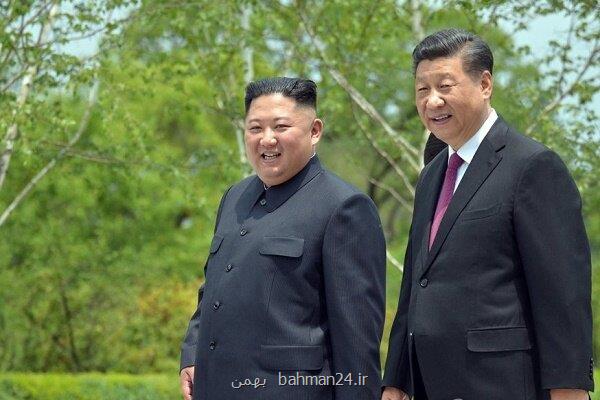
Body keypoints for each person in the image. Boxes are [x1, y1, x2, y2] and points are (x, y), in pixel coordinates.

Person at [382, 29, 594, 400]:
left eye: (445, 86)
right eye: (422, 90)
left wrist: (569, 390)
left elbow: (562, 297)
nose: (432, 101)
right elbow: (416, 284)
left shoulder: (532, 166)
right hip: (431, 384)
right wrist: (395, 381)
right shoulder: (431, 175)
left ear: (484, 84)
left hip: (501, 384)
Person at [180, 77, 386, 400]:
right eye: (255, 128)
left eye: (280, 127)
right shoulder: (234, 197)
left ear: (314, 131)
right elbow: (213, 290)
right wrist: (192, 353)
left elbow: (357, 343)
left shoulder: (344, 207)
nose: (267, 139)